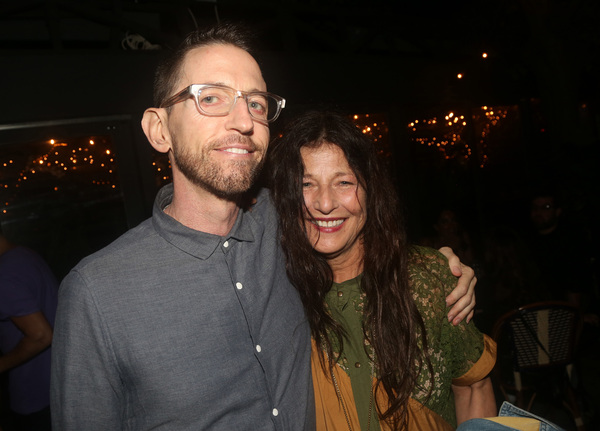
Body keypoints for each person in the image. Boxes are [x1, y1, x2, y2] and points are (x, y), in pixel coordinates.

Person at [50, 24, 477, 430]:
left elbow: (358, 230)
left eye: (256, 102)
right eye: (211, 97)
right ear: (159, 129)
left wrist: (440, 268)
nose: (244, 120)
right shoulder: (97, 292)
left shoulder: (291, 221)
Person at [267, 111, 497, 430]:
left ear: (370, 191)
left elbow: (473, 387)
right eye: (306, 184)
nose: (324, 203)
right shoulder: (273, 292)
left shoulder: (425, 278)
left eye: (343, 182)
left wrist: (442, 269)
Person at [0, 231, 58, 431]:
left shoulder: (4, 274)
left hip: (34, 391)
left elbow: (41, 335)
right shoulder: (24, 255)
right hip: (56, 383)